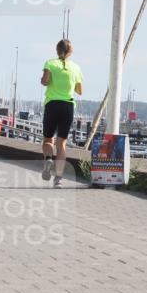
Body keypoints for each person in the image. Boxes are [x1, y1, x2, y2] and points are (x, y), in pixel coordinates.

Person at [40, 39, 83, 188]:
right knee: (62, 143)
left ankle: (48, 159)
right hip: (68, 106)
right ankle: (58, 179)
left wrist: (49, 79)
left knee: (47, 140)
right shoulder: (76, 68)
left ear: (57, 50)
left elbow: (44, 81)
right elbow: (80, 90)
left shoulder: (50, 63)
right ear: (70, 52)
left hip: (52, 105)